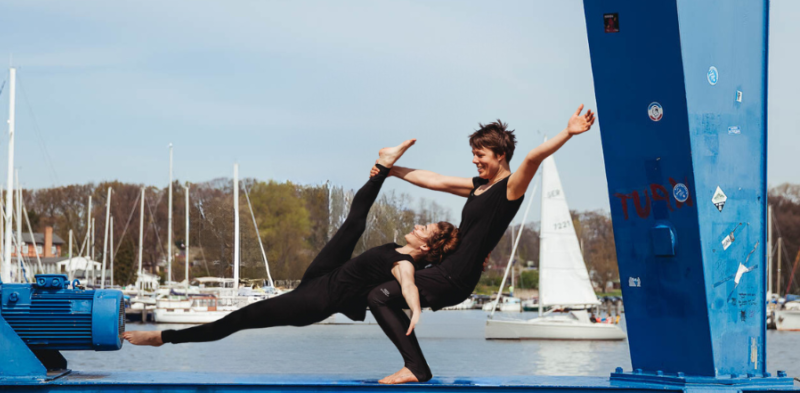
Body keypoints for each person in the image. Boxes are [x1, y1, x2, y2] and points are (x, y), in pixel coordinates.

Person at [123, 139, 461, 350]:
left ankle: (162, 338)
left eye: (425, 228)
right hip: (324, 276)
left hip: (313, 301)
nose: (418, 225)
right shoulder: (395, 249)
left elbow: (408, 285)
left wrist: (414, 309)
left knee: (236, 320)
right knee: (354, 222)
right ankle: (384, 165)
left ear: (427, 247)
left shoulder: (404, 264)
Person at [367, 105, 595, 384]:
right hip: (447, 270)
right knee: (376, 284)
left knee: (379, 296)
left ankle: (415, 368)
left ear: (500, 156)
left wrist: (568, 132)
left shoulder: (510, 188)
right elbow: (434, 180)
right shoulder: (478, 186)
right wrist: (391, 170)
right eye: (473, 154)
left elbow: (534, 158)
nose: (475, 160)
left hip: (454, 277)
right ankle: (413, 365)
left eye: (480, 155)